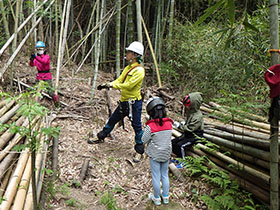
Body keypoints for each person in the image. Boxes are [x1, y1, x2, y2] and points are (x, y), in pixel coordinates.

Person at [88, 41, 145, 162]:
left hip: (134, 103)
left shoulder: (139, 71)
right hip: (124, 101)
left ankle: (140, 151)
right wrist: (107, 84)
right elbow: (119, 80)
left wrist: (113, 86)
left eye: (129, 52)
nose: (127, 53)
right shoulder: (128, 68)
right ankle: (101, 136)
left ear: (135, 55)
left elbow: (128, 85)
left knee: (137, 126)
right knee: (113, 119)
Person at [142, 97, 173, 206]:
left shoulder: (150, 126)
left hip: (155, 154)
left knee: (156, 176)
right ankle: (165, 197)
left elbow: (143, 140)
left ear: (150, 112)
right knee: (164, 175)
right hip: (166, 153)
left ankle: (156, 198)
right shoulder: (169, 124)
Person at [172, 92, 204, 159]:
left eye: (188, 105)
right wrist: (184, 123)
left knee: (180, 145)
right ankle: (177, 158)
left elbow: (190, 128)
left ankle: (183, 161)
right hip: (189, 134)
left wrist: (179, 126)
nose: (187, 107)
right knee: (173, 142)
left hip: (195, 136)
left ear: (194, 104)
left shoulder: (198, 116)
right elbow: (189, 123)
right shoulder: (191, 112)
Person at [29, 41, 59, 106]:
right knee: (36, 90)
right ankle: (36, 105)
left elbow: (44, 62)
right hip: (39, 76)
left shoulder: (46, 57)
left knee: (50, 92)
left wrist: (36, 57)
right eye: (38, 49)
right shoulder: (36, 58)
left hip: (47, 75)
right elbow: (32, 64)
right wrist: (31, 59)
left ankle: (57, 104)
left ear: (44, 49)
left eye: (41, 49)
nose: (40, 50)